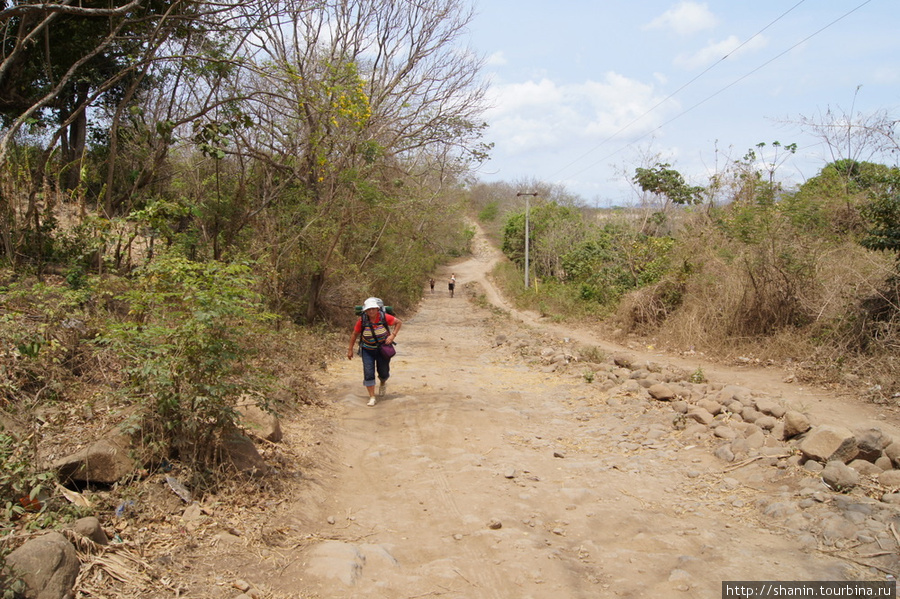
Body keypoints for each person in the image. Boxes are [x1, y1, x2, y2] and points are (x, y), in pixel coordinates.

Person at [347, 297, 402, 406]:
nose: (371, 311)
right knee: (368, 372)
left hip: (383, 349)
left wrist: (392, 335)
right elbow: (354, 334)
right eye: (368, 309)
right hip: (367, 350)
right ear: (365, 311)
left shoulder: (384, 317)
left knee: (383, 371)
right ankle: (372, 397)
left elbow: (398, 322)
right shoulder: (362, 320)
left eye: (373, 309)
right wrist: (350, 350)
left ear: (377, 309)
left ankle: (383, 381)